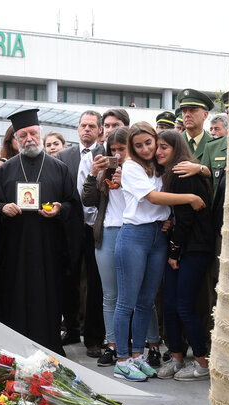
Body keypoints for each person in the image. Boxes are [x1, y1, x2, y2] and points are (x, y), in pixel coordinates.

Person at [113, 122, 205, 382]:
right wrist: (190, 198)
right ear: (132, 147)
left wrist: (203, 168)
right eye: (138, 145)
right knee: (126, 302)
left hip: (159, 236)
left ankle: (137, 355)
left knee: (146, 302)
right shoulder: (130, 167)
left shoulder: (161, 166)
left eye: (148, 143)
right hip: (134, 236)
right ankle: (122, 359)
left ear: (156, 141)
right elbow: (153, 198)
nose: (144, 148)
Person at [0, 108, 78, 355]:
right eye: (23, 135)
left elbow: (73, 205)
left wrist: (60, 209)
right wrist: (3, 209)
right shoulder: (4, 171)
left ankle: (49, 347)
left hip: (49, 248)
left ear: (41, 133)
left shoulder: (59, 169)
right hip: (15, 249)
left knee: (47, 300)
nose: (29, 139)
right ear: (16, 139)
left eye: (33, 134)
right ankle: (16, 348)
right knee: (16, 298)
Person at [152, 129, 214, 381]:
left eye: (163, 147)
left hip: (194, 248)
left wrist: (175, 252)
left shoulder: (183, 172)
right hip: (180, 246)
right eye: (156, 146)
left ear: (176, 148)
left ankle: (202, 362)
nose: (157, 152)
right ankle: (176, 356)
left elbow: (187, 219)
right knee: (169, 305)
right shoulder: (170, 173)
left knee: (184, 306)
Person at [57, 110, 106, 356]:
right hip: (71, 226)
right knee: (69, 278)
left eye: (91, 126)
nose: (86, 130)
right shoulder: (64, 156)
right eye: (83, 126)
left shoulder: (106, 155)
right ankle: (72, 327)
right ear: (77, 129)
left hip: (98, 226)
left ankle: (94, 338)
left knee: (96, 282)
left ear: (100, 130)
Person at [81, 127, 128, 367]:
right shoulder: (104, 172)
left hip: (132, 233)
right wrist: (93, 173)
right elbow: (87, 200)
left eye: (122, 149)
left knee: (135, 296)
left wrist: (127, 179)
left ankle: (138, 344)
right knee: (109, 295)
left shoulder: (143, 171)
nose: (117, 154)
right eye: (113, 150)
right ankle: (112, 344)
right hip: (106, 233)